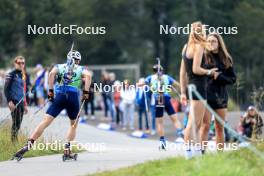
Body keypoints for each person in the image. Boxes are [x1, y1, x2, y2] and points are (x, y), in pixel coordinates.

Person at [13, 49, 91, 161]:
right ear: (78, 60)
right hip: (73, 96)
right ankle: (67, 150)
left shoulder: (59, 66)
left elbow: (51, 74)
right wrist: (86, 92)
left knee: (45, 122)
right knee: (73, 125)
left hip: (59, 95)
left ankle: (28, 144)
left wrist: (50, 91)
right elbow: (88, 76)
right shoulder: (80, 68)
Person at [179, 21, 218, 158]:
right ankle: (189, 153)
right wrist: (209, 72)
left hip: (191, 86)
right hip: (200, 87)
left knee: (195, 122)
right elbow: (196, 69)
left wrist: (183, 92)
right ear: (201, 32)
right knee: (194, 123)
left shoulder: (185, 47)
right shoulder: (199, 46)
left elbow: (182, 72)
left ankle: (194, 152)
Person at [203, 32, 236, 152]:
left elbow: (233, 79)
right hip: (205, 95)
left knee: (219, 127)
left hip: (220, 97)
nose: (211, 43)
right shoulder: (203, 56)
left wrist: (220, 77)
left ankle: (220, 155)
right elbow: (197, 74)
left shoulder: (226, 59)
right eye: (209, 41)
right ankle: (201, 154)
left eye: (213, 41)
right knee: (205, 126)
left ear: (219, 43)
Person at [145, 63, 182, 150]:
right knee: (175, 119)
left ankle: (162, 142)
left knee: (159, 122)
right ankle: (180, 135)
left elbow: (142, 83)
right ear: (162, 70)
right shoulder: (167, 77)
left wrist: (149, 87)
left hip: (159, 98)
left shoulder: (150, 77)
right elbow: (178, 85)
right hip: (166, 98)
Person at [4, 56, 28, 142]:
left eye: (23, 63)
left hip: (21, 102)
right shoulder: (11, 74)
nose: (21, 65)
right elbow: (6, 89)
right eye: (19, 63)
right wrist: (9, 101)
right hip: (14, 102)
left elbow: (23, 90)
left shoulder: (23, 75)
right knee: (15, 122)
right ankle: (13, 141)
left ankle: (15, 140)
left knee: (19, 123)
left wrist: (25, 104)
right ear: (15, 64)